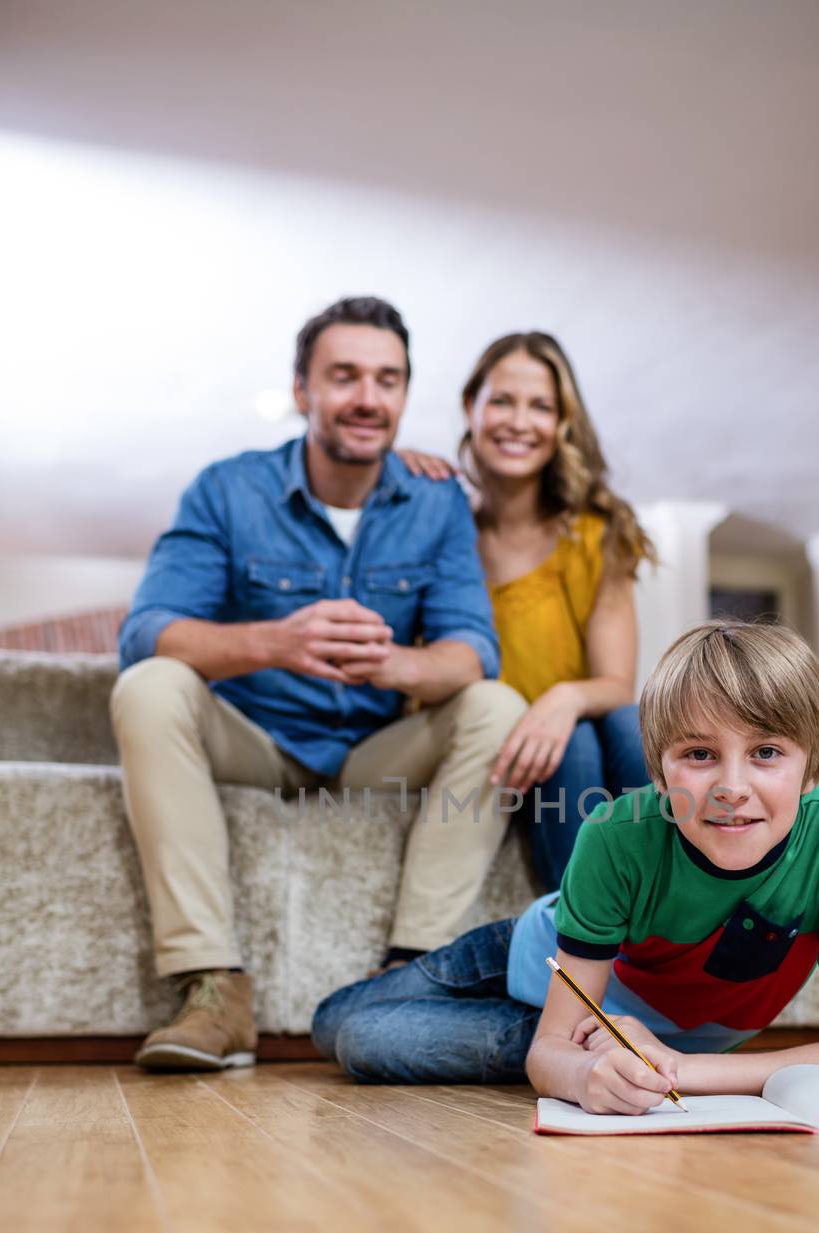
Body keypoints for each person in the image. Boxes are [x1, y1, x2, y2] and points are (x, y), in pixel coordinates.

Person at [113, 296, 526, 1072]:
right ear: (302, 390)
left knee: (497, 705)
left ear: (404, 395)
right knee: (149, 686)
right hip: (255, 739)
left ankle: (410, 973)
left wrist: (402, 665)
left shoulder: (435, 501)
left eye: (388, 379)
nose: (368, 398)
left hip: (373, 745)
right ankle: (213, 990)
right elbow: (146, 630)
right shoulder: (227, 490)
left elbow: (473, 649)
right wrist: (275, 641)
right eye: (344, 376)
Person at [311, 621, 819, 1111]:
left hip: (641, 1035)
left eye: (766, 753)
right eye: (699, 754)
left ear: (812, 768)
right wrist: (582, 1069)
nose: (732, 787)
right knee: (333, 1024)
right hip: (534, 956)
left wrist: (673, 1068)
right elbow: (551, 1052)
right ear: (658, 772)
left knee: (365, 1040)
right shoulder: (616, 835)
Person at [402, 331, 655, 890]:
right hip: (483, 751)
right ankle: (581, 945)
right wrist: (388, 472)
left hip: (570, 746)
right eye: (502, 401)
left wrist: (562, 699)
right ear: (471, 408)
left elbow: (616, 682)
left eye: (541, 406)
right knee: (576, 745)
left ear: (562, 424)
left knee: (623, 725)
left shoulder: (596, 533)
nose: (519, 421)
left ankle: (681, 910)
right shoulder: (436, 528)